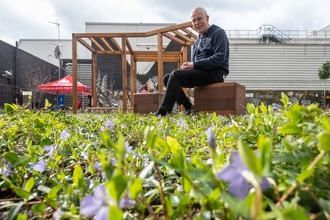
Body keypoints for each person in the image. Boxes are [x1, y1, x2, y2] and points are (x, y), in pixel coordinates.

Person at [154, 7, 229, 116]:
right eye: (194, 21)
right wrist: (189, 66)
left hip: (216, 73)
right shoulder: (197, 41)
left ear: (207, 18)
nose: (197, 23)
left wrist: (194, 64)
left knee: (176, 75)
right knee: (167, 78)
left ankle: (162, 111)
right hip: (203, 72)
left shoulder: (218, 33)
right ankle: (188, 107)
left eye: (199, 19)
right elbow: (195, 63)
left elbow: (219, 58)